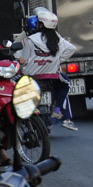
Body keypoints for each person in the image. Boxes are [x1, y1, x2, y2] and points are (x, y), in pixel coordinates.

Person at [16, 9, 78, 137]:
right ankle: (57, 110)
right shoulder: (58, 40)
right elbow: (72, 48)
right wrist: (58, 59)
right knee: (66, 83)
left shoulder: (30, 40)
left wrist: (23, 61)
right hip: (51, 78)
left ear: (41, 24)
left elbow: (21, 57)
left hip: (32, 78)